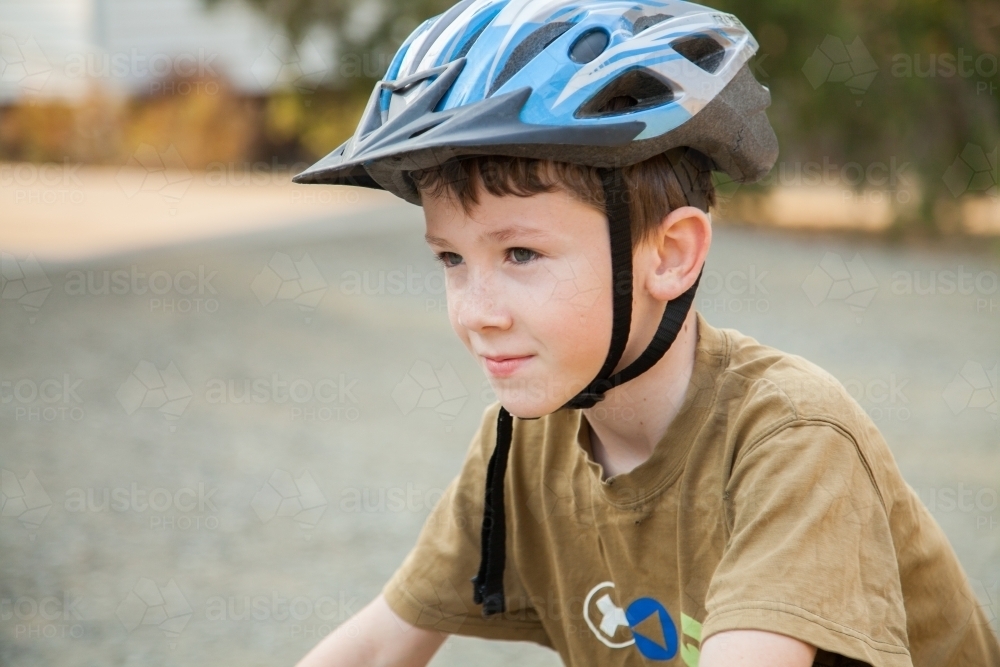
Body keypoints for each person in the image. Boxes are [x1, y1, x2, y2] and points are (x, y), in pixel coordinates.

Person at [291, 1, 1000, 665]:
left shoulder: (792, 437)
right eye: (451, 257)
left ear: (670, 255)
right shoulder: (522, 447)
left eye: (521, 254)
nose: (477, 311)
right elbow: (378, 647)